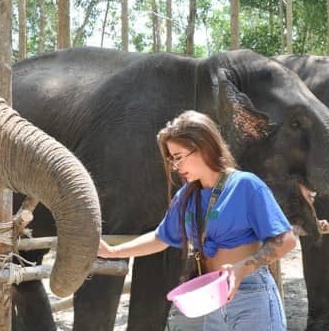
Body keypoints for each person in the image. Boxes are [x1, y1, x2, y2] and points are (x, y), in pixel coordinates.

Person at [98, 110, 297, 331]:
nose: (175, 166)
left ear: (203, 146)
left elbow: (286, 240)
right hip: (213, 299)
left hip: (251, 295)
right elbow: (160, 238)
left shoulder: (245, 185)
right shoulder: (185, 196)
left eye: (178, 157)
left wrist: (244, 267)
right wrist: (113, 253)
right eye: (171, 159)